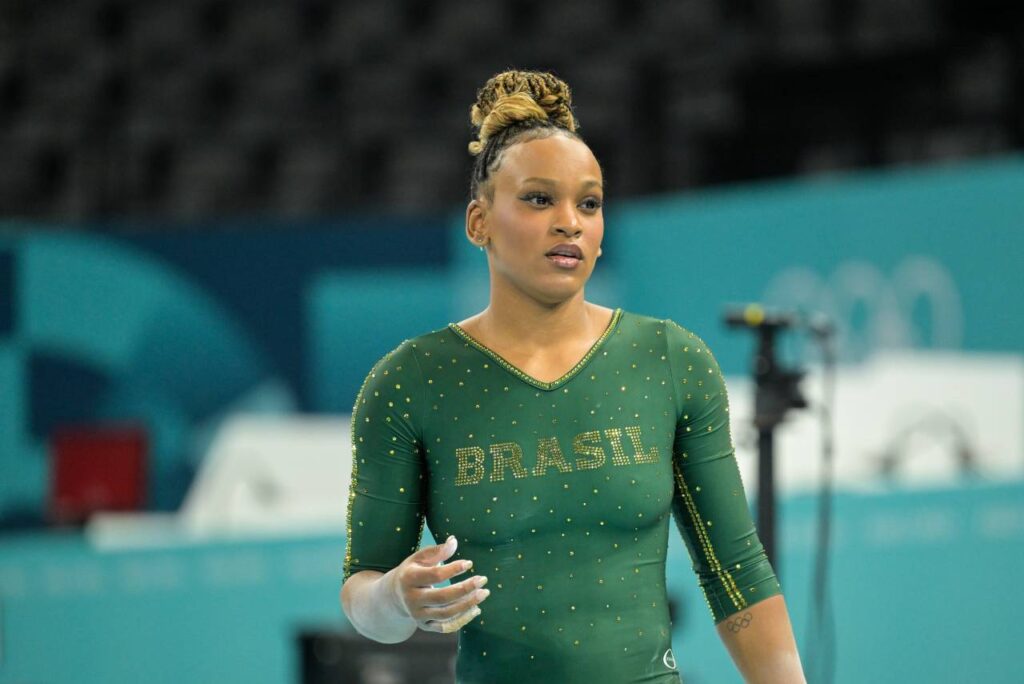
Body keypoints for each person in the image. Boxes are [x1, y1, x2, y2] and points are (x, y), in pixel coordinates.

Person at [339, 69, 806, 683]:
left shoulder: (671, 359)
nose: (571, 222)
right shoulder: (409, 382)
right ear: (479, 222)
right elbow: (363, 592)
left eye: (589, 202)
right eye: (539, 199)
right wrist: (397, 595)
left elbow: (737, 574)